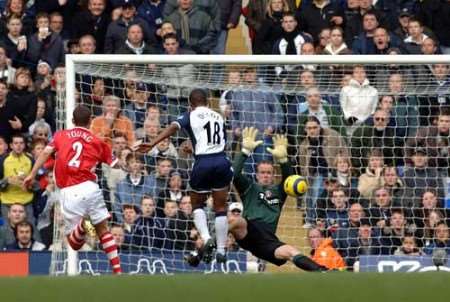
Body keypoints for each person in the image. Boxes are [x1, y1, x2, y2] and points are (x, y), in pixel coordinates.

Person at [134, 88, 233, 263]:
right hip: (222, 161)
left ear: (190, 104)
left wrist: (152, 143)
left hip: (203, 162)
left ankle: (206, 236)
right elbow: (217, 144)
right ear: (208, 103)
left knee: (196, 203)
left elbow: (173, 127)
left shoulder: (191, 115)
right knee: (220, 207)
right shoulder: (218, 116)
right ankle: (221, 250)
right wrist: (194, 150)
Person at [23, 105, 122, 274]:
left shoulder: (61, 136)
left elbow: (46, 153)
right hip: (91, 188)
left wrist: (32, 174)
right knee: (102, 229)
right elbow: (117, 164)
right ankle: (118, 270)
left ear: (72, 121)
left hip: (69, 190)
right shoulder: (98, 141)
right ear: (90, 121)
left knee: (74, 244)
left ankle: (82, 226)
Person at [227, 128, 327, 271]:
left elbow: (289, 179)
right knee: (236, 220)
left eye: (269, 173)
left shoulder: (279, 191)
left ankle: (323, 271)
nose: (266, 175)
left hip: (267, 240)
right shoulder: (249, 187)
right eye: (262, 173)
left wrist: (283, 160)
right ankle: (211, 245)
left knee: (290, 252)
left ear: (274, 175)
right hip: (249, 231)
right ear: (256, 175)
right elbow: (234, 175)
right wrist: (244, 152)